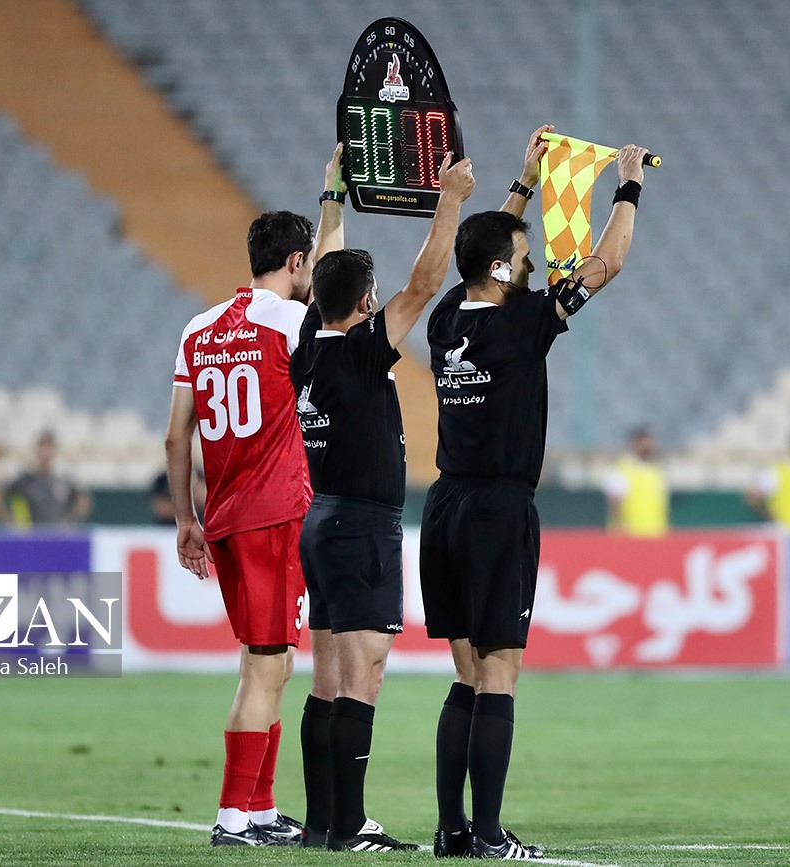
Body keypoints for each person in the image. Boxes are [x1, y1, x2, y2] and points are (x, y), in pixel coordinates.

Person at [420, 127, 647, 860]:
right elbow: (608, 262)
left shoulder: (446, 319)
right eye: (523, 257)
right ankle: (489, 835)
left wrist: (524, 182)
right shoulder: (524, 322)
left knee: (465, 675)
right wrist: (628, 185)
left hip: (444, 507)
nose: (533, 263)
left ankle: (453, 830)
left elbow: (479, 250)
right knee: (500, 675)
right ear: (499, 268)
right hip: (497, 510)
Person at [290, 145, 474, 852]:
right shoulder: (362, 348)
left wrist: (332, 194)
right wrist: (449, 199)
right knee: (362, 675)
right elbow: (425, 283)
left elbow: (327, 266)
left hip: (322, 520)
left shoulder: (310, 344)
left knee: (328, 676)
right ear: (367, 302)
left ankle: (322, 823)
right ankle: (350, 824)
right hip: (361, 526)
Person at [164, 179, 339, 847]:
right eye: (307, 263)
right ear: (296, 262)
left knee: (267, 662)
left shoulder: (198, 327)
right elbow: (335, 287)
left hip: (225, 516)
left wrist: (185, 519)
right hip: (274, 515)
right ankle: (234, 817)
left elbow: (176, 436)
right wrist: (333, 197)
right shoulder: (289, 322)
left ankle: (260, 809)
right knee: (266, 667)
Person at [0, 429, 91, 527]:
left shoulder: (63, 482)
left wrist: (69, 522)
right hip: (32, 538)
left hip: (57, 538)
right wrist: (12, 523)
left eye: (50, 447)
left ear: (55, 451)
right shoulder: (25, 481)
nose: (46, 452)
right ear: (36, 450)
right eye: (42, 447)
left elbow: (83, 502)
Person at [603, 426, 669, 537]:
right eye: (643, 442)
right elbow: (615, 502)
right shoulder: (621, 470)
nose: (648, 446)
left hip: (655, 536)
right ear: (634, 444)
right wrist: (619, 531)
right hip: (630, 537)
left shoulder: (656, 472)